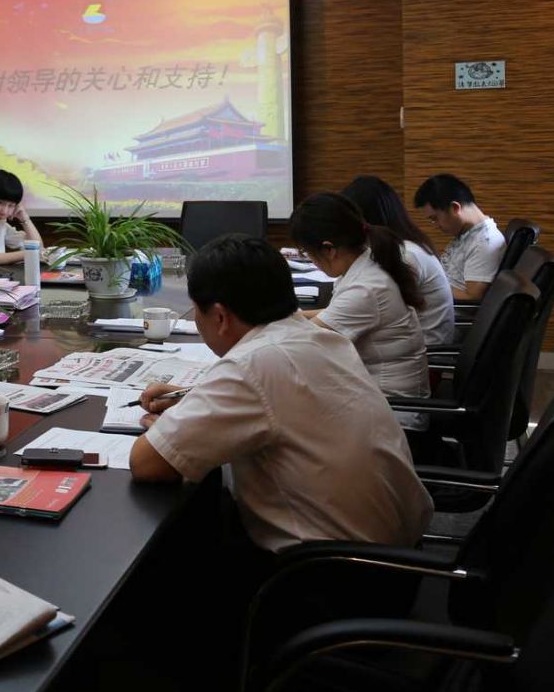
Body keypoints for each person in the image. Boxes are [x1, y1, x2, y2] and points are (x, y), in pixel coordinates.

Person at [128, 235, 433, 552]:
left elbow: (148, 464)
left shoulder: (251, 366)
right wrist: (194, 399)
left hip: (326, 569)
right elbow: (280, 396)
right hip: (396, 552)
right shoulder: (318, 339)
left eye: (196, 310)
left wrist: (173, 425)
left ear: (219, 317)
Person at [289, 192, 430, 405]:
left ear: (329, 249)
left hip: (393, 407)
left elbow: (303, 344)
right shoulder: (365, 263)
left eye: (306, 252)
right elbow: (331, 315)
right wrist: (292, 316)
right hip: (372, 393)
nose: (309, 258)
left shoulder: (365, 289)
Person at [342, 174, 455, 345]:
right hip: (407, 342)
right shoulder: (404, 245)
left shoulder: (406, 254)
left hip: (424, 351)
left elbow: (364, 309)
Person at [413, 173, 506, 301]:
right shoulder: (466, 233)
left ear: (455, 208)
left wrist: (427, 288)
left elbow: (472, 296)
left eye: (435, 218)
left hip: (450, 308)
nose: (436, 225)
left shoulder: (485, 242)